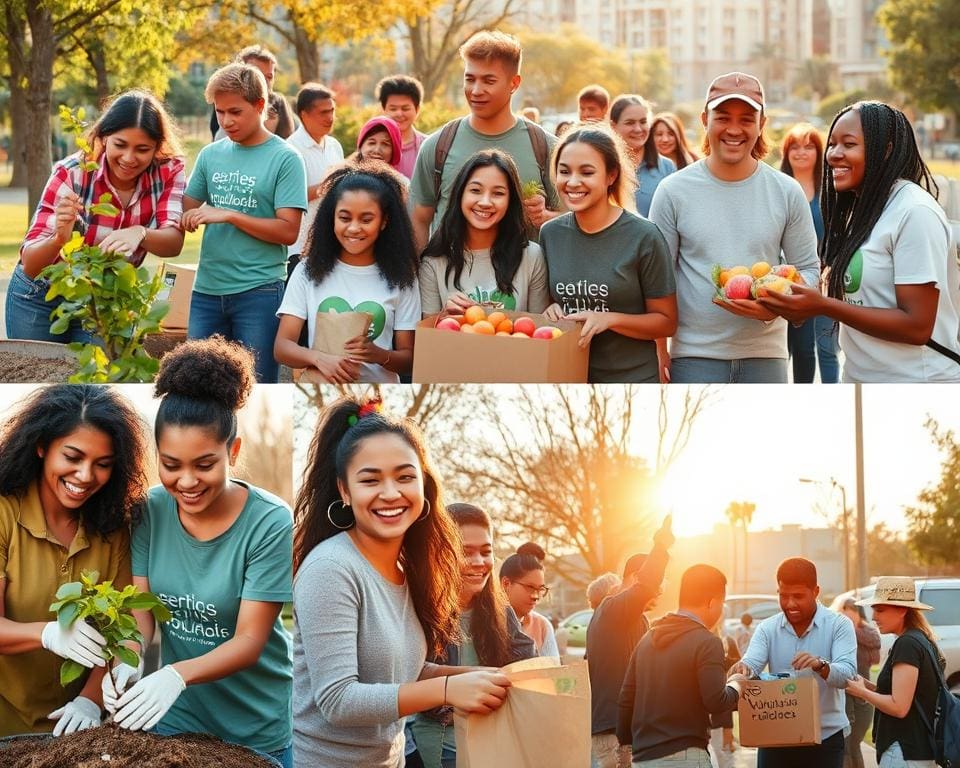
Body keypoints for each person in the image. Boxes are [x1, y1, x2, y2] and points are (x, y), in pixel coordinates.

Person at [291, 397, 511, 767]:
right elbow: (338, 700)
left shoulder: (407, 570)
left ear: (423, 484)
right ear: (345, 491)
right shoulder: (331, 568)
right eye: (370, 479)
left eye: (405, 477)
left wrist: (474, 675)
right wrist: (446, 689)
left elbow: (398, 671)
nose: (391, 493)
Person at [106, 337, 293, 767]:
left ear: (233, 452)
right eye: (171, 464)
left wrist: (174, 674)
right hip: (175, 720)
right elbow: (143, 622)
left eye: (204, 464)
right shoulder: (149, 510)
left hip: (254, 728)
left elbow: (249, 640)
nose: (186, 481)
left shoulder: (269, 523)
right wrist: (129, 664)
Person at [758, 101, 960, 382]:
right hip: (859, 379)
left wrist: (823, 306)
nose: (833, 155)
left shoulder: (914, 212)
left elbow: (916, 327)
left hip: (915, 382)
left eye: (849, 144)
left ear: (885, 150)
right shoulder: (864, 209)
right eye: (833, 144)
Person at [649, 72, 820, 384]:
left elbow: (808, 269)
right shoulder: (673, 191)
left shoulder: (786, 191)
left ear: (761, 124)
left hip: (766, 357)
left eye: (746, 119)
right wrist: (659, 351)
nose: (734, 129)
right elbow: (655, 279)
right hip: (693, 357)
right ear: (705, 120)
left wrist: (777, 304)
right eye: (723, 117)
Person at [0, 385, 148, 737]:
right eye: (72, 457)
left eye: (103, 464)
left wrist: (90, 700)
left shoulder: (112, 530)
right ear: (41, 447)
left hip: (73, 730)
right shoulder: (5, 513)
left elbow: (125, 629)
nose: (85, 475)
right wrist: (48, 633)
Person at [11, 90, 186, 343]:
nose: (129, 158)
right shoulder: (73, 173)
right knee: (40, 379)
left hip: (105, 298)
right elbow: (31, 265)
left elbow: (173, 243)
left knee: (99, 377)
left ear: (157, 148)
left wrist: (140, 232)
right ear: (104, 137)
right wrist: (60, 238)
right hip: (40, 295)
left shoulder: (168, 171)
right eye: (120, 145)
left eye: (142, 149)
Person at [181, 63, 307, 384]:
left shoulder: (286, 158)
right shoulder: (210, 155)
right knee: (197, 385)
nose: (226, 121)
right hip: (206, 291)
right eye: (220, 112)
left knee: (257, 386)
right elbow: (184, 207)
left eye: (235, 111)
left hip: (260, 291)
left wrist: (229, 214)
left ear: (260, 106)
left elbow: (288, 230)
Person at [540, 125, 678, 383]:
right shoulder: (551, 233)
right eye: (564, 171)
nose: (572, 182)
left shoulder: (644, 236)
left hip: (631, 380)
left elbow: (666, 322)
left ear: (611, 175)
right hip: (567, 377)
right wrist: (550, 309)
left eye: (587, 172)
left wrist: (610, 319)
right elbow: (549, 300)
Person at [411, 503, 536, 768]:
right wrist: (475, 678)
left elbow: (530, 666)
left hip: (496, 739)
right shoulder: (418, 608)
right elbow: (411, 674)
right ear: (440, 552)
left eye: (486, 551)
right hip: (442, 742)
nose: (479, 562)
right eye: (465, 552)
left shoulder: (501, 611)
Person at [411, 29, 559, 251]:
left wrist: (546, 217)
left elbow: (579, 218)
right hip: (449, 283)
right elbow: (418, 219)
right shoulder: (437, 146)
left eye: (489, 80)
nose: (476, 90)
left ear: (514, 83)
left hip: (525, 283)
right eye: (470, 79)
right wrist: (421, 281)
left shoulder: (547, 148)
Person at [274, 164, 420, 383]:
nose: (353, 228)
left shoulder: (402, 277)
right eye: (344, 218)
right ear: (331, 217)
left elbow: (409, 359)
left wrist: (379, 355)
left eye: (366, 219)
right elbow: (282, 347)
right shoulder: (307, 270)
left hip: (379, 395)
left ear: (384, 222)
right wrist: (318, 359)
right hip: (322, 392)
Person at [729, 557, 857, 768]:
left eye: (798, 596)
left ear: (816, 592)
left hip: (825, 740)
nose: (790, 604)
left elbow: (848, 675)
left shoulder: (839, 625)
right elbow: (751, 663)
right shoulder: (767, 629)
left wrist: (820, 665)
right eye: (783, 596)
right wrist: (743, 669)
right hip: (776, 738)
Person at [617, 565, 745, 768]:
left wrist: (625, 748)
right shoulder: (707, 641)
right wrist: (738, 685)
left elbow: (626, 699)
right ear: (712, 603)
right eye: (722, 604)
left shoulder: (646, 640)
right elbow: (716, 701)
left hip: (643, 758)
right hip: (686, 755)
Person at [586, 516, 674, 768]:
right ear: (636, 577)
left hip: (628, 727)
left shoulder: (635, 619)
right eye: (656, 588)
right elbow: (646, 586)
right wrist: (660, 548)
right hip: (615, 730)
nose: (656, 594)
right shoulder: (612, 610)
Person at [419, 149, 550, 316]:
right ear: (460, 194)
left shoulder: (531, 256)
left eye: (498, 193)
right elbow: (428, 338)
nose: (485, 202)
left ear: (511, 201)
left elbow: (539, 330)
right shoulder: (433, 262)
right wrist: (444, 317)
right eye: (475, 190)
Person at [845, 577, 943, 768]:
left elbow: (899, 707)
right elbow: (907, 694)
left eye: (880, 610)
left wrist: (862, 693)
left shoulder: (907, 644)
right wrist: (868, 685)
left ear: (902, 610)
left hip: (904, 752)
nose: (873, 617)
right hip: (917, 752)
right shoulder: (921, 639)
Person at [779, 123, 839, 383]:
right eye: (795, 146)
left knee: (824, 348)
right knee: (792, 348)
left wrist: (831, 268)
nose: (801, 152)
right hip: (783, 281)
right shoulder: (776, 187)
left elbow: (839, 232)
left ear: (819, 152)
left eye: (809, 146)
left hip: (825, 279)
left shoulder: (831, 189)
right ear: (786, 152)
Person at [286, 82, 343, 277]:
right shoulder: (290, 150)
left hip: (332, 243)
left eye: (332, 111)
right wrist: (328, 186)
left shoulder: (334, 145)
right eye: (323, 112)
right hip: (300, 247)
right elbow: (287, 198)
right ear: (303, 114)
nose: (330, 118)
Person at [210, 45, 295, 141]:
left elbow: (288, 138)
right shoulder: (224, 101)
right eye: (257, 75)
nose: (264, 81)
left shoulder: (278, 104)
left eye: (269, 77)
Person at [609, 94, 675, 217]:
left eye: (643, 122)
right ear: (613, 126)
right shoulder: (603, 167)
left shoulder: (667, 167)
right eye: (630, 123)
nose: (638, 129)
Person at [839, 598, 881, 768]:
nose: (847, 615)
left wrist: (851, 628)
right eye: (845, 611)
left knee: (854, 744)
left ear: (858, 612)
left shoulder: (867, 632)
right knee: (847, 747)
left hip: (862, 697)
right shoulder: (841, 634)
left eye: (851, 611)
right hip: (845, 695)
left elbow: (875, 651)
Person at [499, 542, 559, 657]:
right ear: (506, 583)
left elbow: (552, 671)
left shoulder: (542, 626)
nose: (535, 596)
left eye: (540, 589)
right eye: (530, 587)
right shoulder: (485, 622)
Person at [376, 75, 428, 180]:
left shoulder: (428, 147)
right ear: (383, 109)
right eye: (393, 108)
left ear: (417, 109)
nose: (399, 114)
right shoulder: (373, 147)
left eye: (405, 108)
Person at [710, 609, 741, 768]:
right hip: (713, 699)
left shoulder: (726, 640)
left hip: (722, 696)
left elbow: (738, 663)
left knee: (722, 754)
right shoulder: (709, 641)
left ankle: (728, 744)